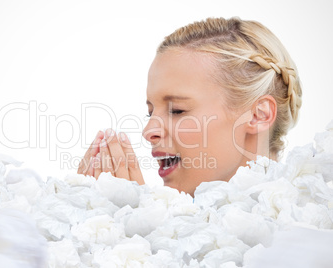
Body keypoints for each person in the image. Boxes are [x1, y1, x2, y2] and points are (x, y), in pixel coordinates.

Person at [77, 17, 302, 196]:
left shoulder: (309, 237)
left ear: (257, 115)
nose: (148, 132)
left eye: (178, 111)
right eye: (150, 113)